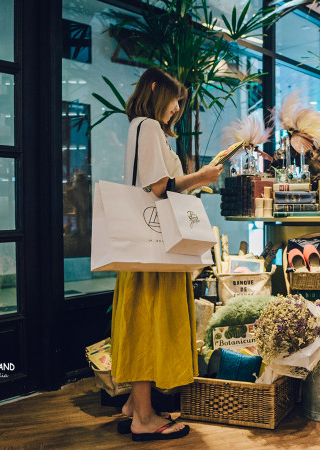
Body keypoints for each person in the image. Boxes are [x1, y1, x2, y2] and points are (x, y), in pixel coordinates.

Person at [110, 67, 223, 441]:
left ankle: (134, 404)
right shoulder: (147, 127)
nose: (177, 108)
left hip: (146, 246)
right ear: (156, 89)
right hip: (155, 249)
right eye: (176, 99)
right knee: (148, 325)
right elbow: (159, 188)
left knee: (141, 320)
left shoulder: (141, 129)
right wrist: (201, 177)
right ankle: (143, 417)